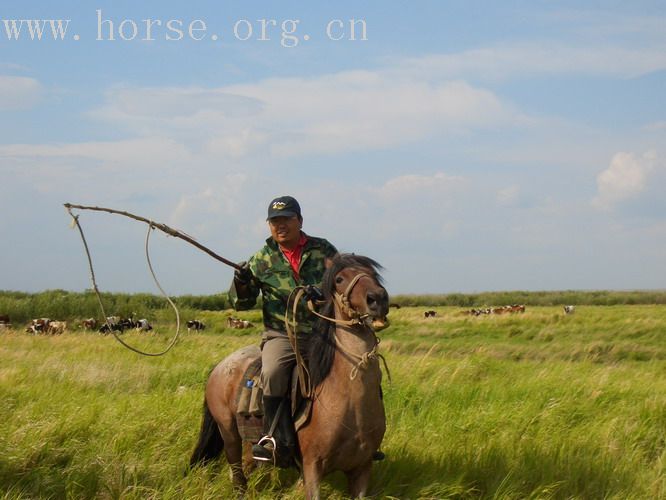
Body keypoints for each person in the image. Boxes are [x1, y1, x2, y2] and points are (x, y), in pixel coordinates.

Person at [229, 195, 338, 466]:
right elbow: (241, 304)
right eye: (274, 221)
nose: (280, 226)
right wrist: (241, 282)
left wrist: (322, 292)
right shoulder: (260, 260)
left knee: (357, 367)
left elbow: (342, 283)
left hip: (322, 334)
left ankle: (363, 437)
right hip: (282, 336)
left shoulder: (324, 250)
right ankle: (275, 438)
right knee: (273, 371)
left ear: (299, 220)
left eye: (286, 219)